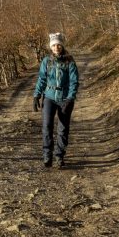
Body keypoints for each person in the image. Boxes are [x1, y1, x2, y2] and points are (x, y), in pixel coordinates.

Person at [33, 32, 79, 168]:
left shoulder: (69, 61)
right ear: (51, 47)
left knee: (63, 128)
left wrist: (71, 98)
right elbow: (41, 78)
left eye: (58, 44)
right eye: (53, 45)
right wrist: (37, 95)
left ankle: (59, 155)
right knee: (47, 126)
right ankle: (47, 154)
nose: (56, 47)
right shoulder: (46, 61)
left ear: (62, 45)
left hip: (65, 98)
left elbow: (74, 81)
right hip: (49, 97)